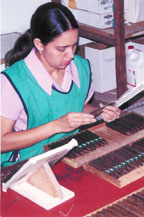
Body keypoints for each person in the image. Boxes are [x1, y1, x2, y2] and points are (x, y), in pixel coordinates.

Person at [1, 2, 121, 167]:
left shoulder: (80, 67)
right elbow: (1, 143)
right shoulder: (13, 81)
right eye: (61, 49)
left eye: (74, 45)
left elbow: (80, 107)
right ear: (39, 45)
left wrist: (100, 113)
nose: (71, 55)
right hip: (24, 165)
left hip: (66, 154)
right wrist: (55, 126)